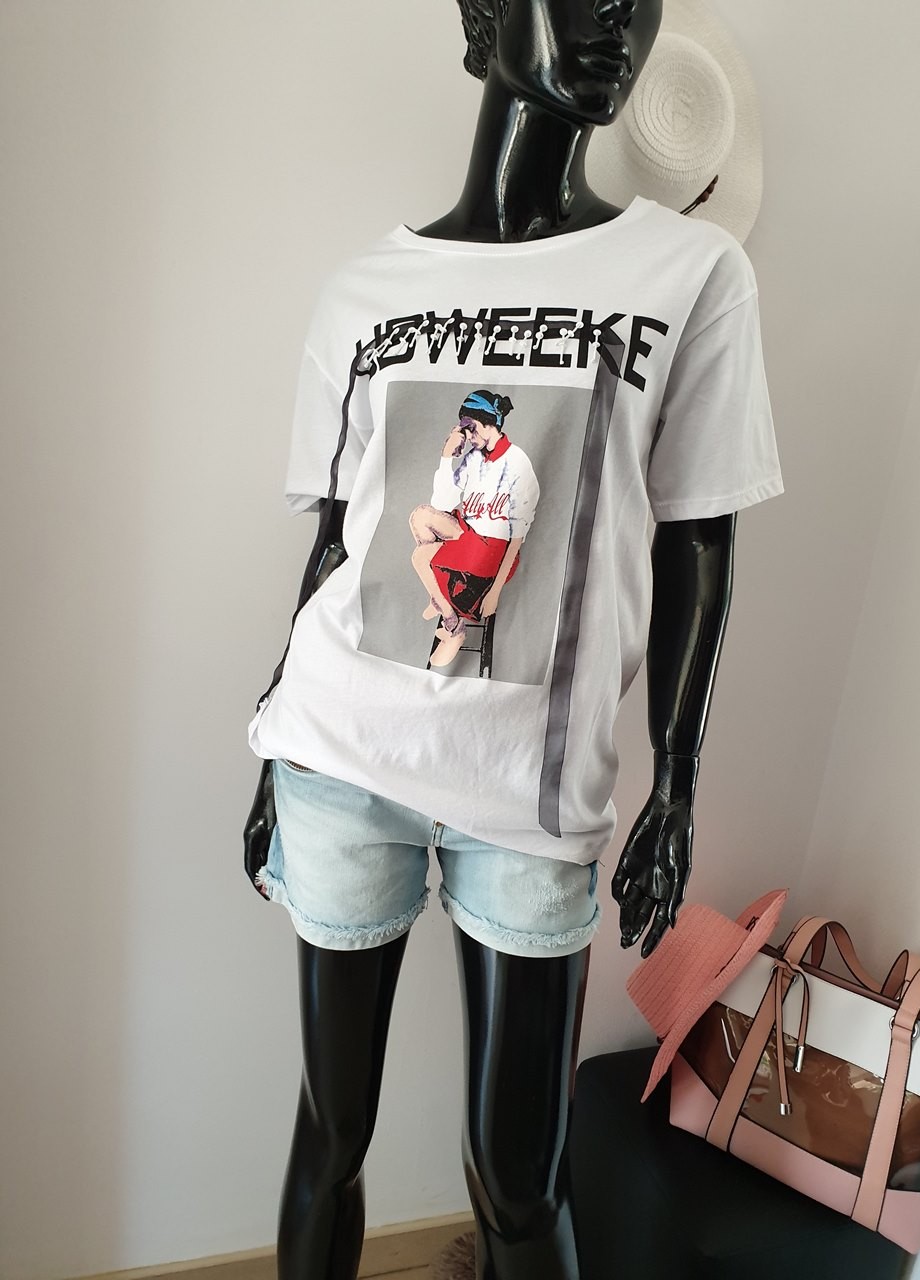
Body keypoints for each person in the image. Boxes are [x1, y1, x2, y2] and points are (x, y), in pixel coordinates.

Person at [242, 2, 782, 1277]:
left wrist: (676, 780)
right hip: (339, 756)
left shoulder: (692, 273)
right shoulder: (364, 290)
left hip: (530, 795)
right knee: (331, 1130)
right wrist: (268, 740)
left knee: (518, 1181)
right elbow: (336, 541)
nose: (613, 22)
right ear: (484, 16)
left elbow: (696, 539)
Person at [409, 389, 540, 667]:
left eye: (471, 428)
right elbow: (442, 502)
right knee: (420, 516)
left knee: (421, 557)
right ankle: (443, 597)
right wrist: (447, 457)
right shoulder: (474, 458)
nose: (468, 436)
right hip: (469, 532)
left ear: (489, 423)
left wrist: (494, 593)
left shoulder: (517, 464)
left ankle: (453, 625)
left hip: (493, 549)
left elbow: (517, 538)